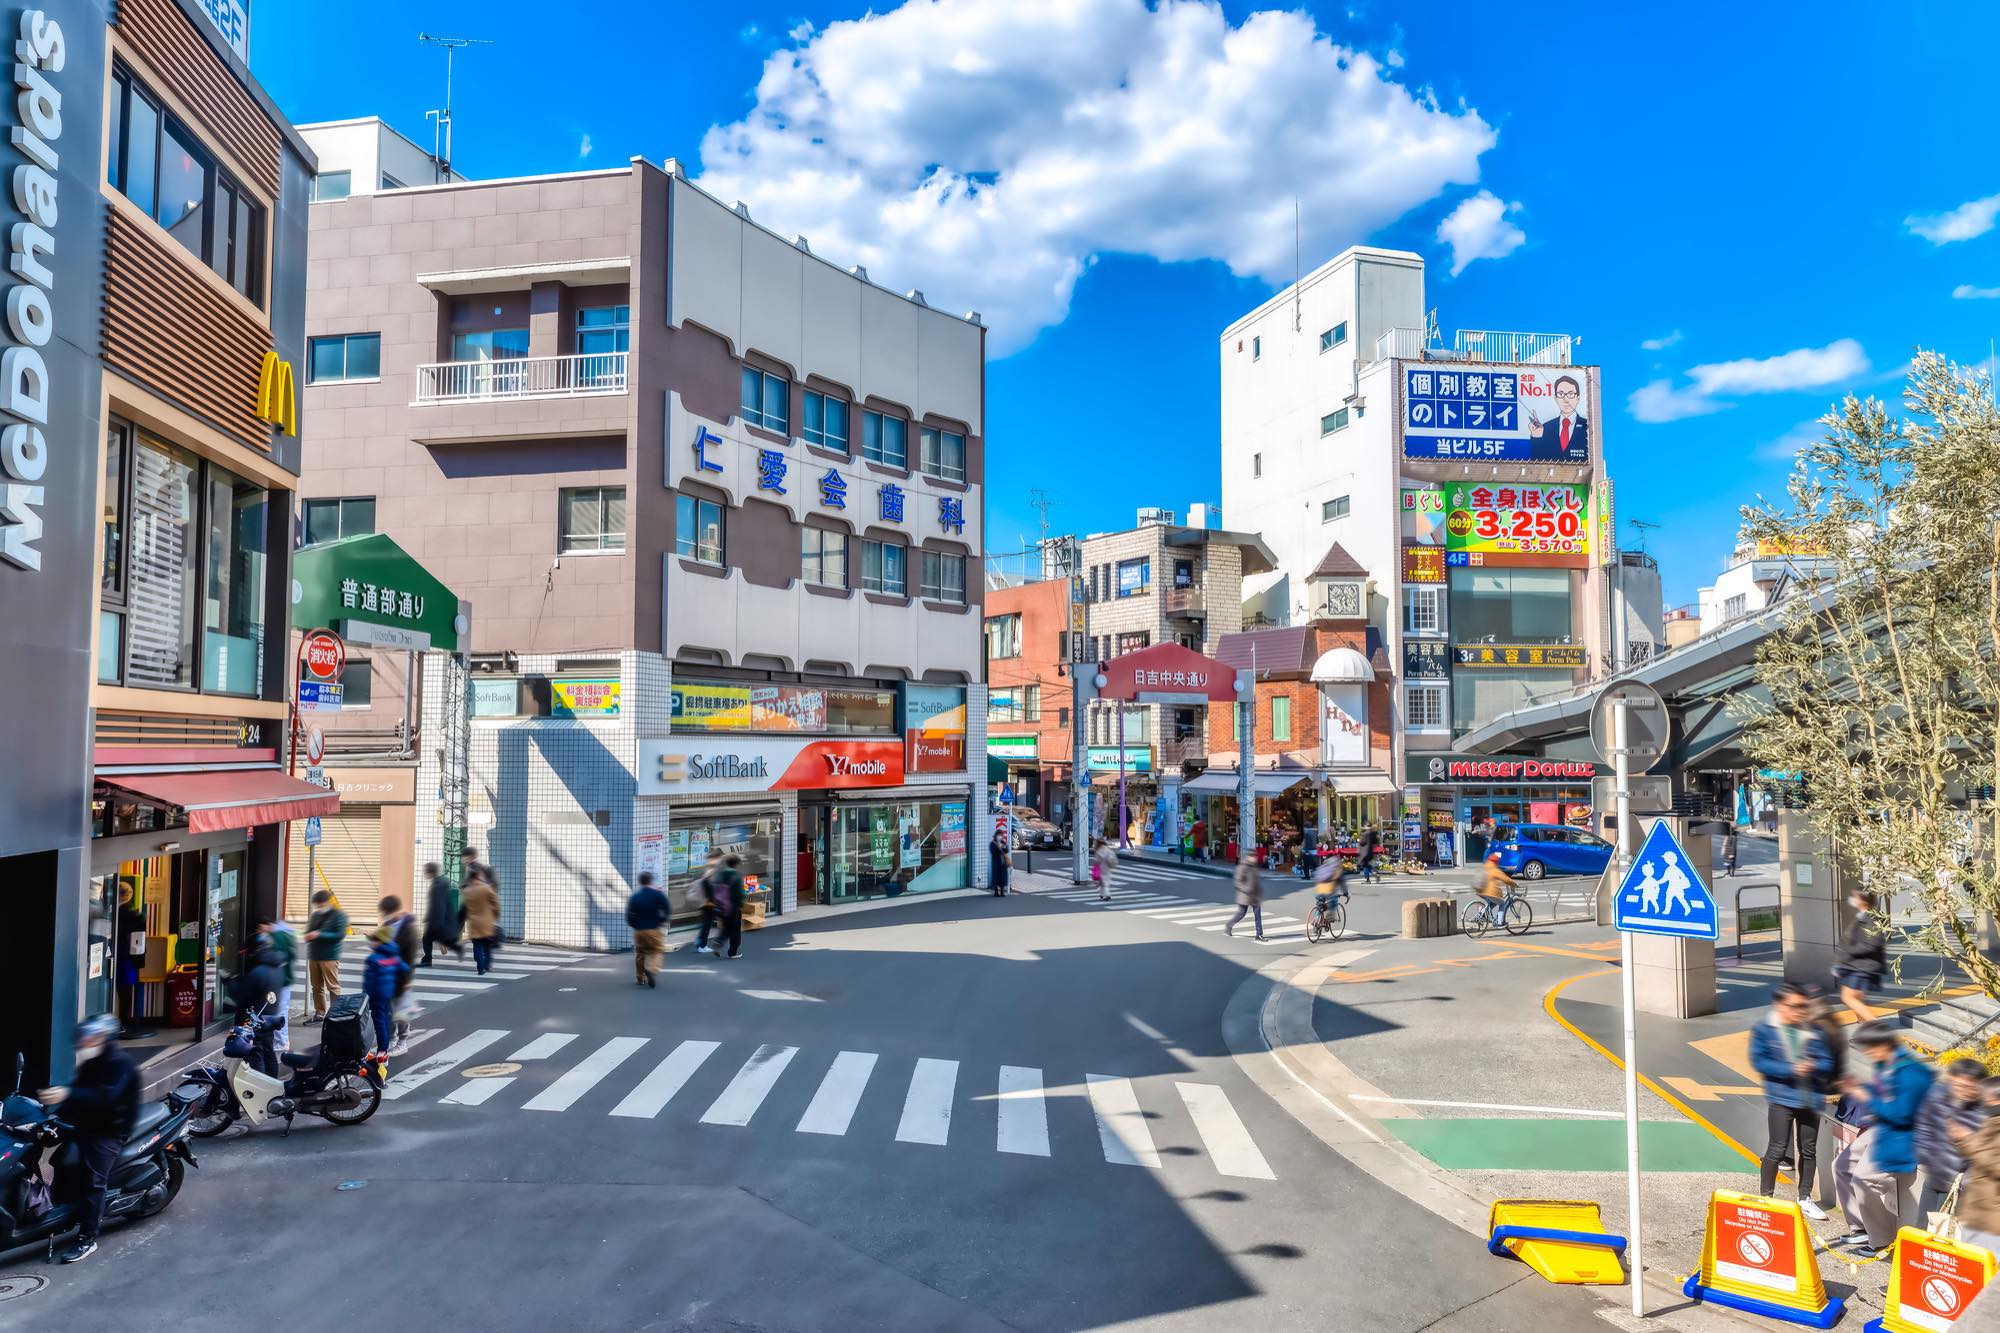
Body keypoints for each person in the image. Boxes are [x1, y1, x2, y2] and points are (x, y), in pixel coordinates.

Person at [1829, 1020, 1934, 1258]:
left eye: (1870, 1048)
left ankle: (1883, 1239)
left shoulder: (1912, 1074)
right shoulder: (1886, 1063)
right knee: (1840, 1166)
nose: (1868, 1054)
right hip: (1884, 1128)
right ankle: (1861, 1227)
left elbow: (1902, 1114)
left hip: (1905, 1135)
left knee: (1863, 1179)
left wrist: (1863, 1096)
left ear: (1884, 1045)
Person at [37, 1015, 138, 1263]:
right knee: (59, 1163)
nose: (83, 1042)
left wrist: (67, 1094)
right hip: (86, 1125)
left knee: (94, 1181)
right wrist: (52, 1118)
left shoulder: (120, 1063)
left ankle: (87, 1237)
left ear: (102, 1037)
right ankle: (64, 1213)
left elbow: (106, 1097)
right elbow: (77, 1095)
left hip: (109, 1131)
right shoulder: (91, 1064)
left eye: (88, 1038)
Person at [1751, 981, 1836, 1220]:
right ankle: (1766, 1197)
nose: (1800, 1011)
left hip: (1810, 1099)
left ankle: (1805, 1197)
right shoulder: (1765, 1030)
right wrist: (1791, 1069)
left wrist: (1813, 1066)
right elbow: (1760, 1061)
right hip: (1782, 1097)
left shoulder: (1815, 1031)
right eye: (1795, 1006)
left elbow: (1828, 1062)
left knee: (1808, 1150)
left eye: (1803, 1006)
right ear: (1780, 1005)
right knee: (1777, 1148)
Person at [1917, 1058, 1989, 1221]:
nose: (1964, 1091)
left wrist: (1967, 1138)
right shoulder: (1937, 1095)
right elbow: (1923, 1127)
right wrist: (1926, 1157)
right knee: (1921, 1227)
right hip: (1934, 1176)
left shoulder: (1985, 1112)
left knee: (1944, 1232)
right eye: (1958, 1086)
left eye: (1970, 1088)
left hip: (1960, 1185)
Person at [1950, 1085, 2000, 1258]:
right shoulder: (1991, 1122)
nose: (1984, 1104)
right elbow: (1978, 1155)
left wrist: (1967, 1139)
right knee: (1971, 1262)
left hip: (1992, 1219)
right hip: (1976, 1210)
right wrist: (1960, 1139)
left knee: (1990, 1264)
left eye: (1988, 1100)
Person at [232, 940, 287, 1078]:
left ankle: (259, 1086)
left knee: (255, 1055)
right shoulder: (278, 969)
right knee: (268, 1052)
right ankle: (273, 1084)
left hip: (254, 1020)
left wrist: (231, 983)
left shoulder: (257, 972)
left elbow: (242, 998)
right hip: (270, 1017)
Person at [1836, 889, 1888, 1021]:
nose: (1852, 899)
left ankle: (1875, 1025)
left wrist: (1849, 951)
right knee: (1856, 998)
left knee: (1848, 997)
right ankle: (1865, 1025)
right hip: (1857, 965)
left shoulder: (1871, 919)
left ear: (1863, 900)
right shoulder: (1863, 916)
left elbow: (1873, 943)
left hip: (1863, 966)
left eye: (1854, 897)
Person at [379, 896, 421, 1053]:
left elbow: (410, 956)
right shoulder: (387, 925)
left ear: (396, 910)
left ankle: (403, 1041)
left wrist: (408, 980)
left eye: (388, 912)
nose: (386, 915)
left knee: (401, 1009)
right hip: (386, 974)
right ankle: (391, 1038)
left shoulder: (408, 928)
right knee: (388, 1009)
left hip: (402, 975)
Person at [361, 927, 409, 1056]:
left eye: (373, 940)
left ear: (380, 941)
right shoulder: (394, 956)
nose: (371, 942)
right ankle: (386, 1046)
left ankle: (382, 1052)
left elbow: (368, 981)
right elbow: (404, 969)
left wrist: (364, 997)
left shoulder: (373, 959)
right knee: (386, 1020)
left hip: (375, 997)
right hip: (388, 994)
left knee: (380, 1024)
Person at [302, 890, 348, 1023]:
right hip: (314, 955)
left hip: (329, 956)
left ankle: (335, 1014)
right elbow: (309, 930)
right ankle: (320, 1013)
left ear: (328, 902)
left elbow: (339, 935)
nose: (318, 907)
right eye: (317, 905)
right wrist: (308, 935)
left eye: (321, 905)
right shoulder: (315, 915)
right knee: (316, 987)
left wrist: (319, 934)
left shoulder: (339, 915)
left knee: (332, 986)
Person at [255, 914, 298, 1050]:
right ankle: (282, 1040)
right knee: (281, 1010)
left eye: (260, 929)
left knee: (278, 1011)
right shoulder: (285, 933)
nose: (260, 932)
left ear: (264, 926)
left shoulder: (276, 937)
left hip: (279, 979)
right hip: (284, 978)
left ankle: (281, 1042)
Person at [626, 870, 671, 988]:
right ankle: (651, 969)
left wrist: (635, 925)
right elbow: (667, 909)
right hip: (653, 929)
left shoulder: (635, 897)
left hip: (639, 931)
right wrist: (661, 921)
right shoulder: (658, 895)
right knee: (656, 951)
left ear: (640, 882)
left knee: (640, 953)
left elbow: (629, 916)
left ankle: (640, 977)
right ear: (651, 881)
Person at [1526, 373, 1589, 457]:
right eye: (1561, 394)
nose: (1565, 399)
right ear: (1556, 398)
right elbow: (1536, 461)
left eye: (1570, 394)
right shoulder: (1545, 428)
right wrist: (1537, 437)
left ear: (1578, 398)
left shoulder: (1587, 426)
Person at [461, 866, 502, 976]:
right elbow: (495, 904)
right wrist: (496, 915)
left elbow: (465, 907)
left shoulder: (467, 891)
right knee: (487, 946)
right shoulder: (486, 888)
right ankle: (486, 965)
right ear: (478, 876)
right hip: (487, 922)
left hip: (474, 923)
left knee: (477, 945)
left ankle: (480, 967)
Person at [421, 862, 463, 966]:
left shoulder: (438, 885)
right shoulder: (439, 882)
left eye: (426, 872)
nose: (425, 874)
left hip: (439, 919)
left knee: (428, 938)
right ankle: (456, 948)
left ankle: (427, 960)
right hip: (440, 919)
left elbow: (439, 905)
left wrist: (436, 921)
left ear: (431, 872)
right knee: (435, 939)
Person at [710, 853, 747, 960]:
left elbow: (714, 887)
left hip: (720, 905)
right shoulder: (736, 876)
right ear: (736, 864)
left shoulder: (720, 874)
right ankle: (733, 952)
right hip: (733, 907)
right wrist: (740, 904)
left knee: (727, 927)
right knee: (735, 930)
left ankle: (719, 942)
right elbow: (739, 894)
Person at [1225, 854, 1265, 940]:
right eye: (1252, 857)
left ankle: (1259, 934)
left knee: (1257, 915)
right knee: (1241, 914)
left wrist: (1260, 890)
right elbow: (1238, 883)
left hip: (1255, 896)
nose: (1254, 859)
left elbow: (1256, 881)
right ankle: (1229, 925)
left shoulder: (1254, 868)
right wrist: (1247, 889)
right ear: (1248, 858)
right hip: (1245, 896)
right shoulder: (1241, 868)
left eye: (1255, 857)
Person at [690, 850, 722, 956]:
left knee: (706, 922)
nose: (719, 860)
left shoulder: (703, 869)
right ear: (715, 858)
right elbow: (709, 886)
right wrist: (713, 900)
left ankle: (700, 941)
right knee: (707, 923)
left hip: (702, 901)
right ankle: (702, 945)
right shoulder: (710, 870)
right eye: (718, 858)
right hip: (709, 902)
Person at [1476, 852, 1516, 927]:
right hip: (1488, 891)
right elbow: (1505, 879)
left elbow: (1501, 868)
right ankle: (1499, 922)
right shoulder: (1494, 870)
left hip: (1479, 889)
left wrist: (1508, 868)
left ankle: (1482, 913)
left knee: (1493, 902)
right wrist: (1514, 884)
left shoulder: (1486, 866)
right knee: (1502, 903)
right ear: (1496, 862)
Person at [990, 823, 1011, 897]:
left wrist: (1003, 847)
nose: (1000, 836)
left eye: (1001, 835)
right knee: (996, 877)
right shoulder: (993, 843)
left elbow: (1007, 850)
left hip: (1003, 862)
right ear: (996, 835)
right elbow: (993, 852)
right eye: (999, 835)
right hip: (996, 863)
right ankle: (996, 892)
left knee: (1003, 877)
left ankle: (1002, 891)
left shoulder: (1003, 842)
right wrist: (998, 848)